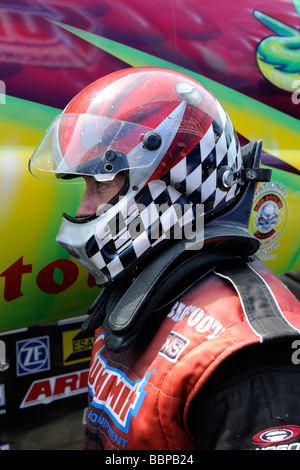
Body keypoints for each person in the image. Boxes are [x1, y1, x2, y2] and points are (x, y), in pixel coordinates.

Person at [29, 67, 300, 451]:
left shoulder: (248, 356)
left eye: (101, 183)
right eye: (86, 185)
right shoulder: (141, 287)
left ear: (178, 184)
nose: (84, 207)